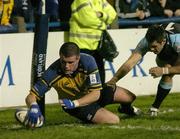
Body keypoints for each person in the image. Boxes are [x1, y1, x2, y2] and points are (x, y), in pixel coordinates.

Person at [16, 42, 140, 128]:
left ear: (78, 58)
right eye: (63, 62)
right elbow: (31, 96)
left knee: (130, 97)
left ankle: (125, 108)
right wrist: (33, 106)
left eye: (70, 62)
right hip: (76, 106)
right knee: (114, 120)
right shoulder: (52, 72)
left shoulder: (88, 61)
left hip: (89, 96)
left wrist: (75, 102)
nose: (66, 66)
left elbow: (96, 93)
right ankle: (92, 116)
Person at [107, 23, 180, 116]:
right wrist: (114, 80)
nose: (151, 49)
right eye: (150, 46)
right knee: (168, 70)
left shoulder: (177, 40)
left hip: (175, 49)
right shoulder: (145, 41)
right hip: (168, 53)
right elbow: (129, 63)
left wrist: (163, 71)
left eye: (154, 47)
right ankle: (154, 108)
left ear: (163, 41)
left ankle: (154, 107)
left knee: (168, 70)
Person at [69, 0, 117, 85]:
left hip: (97, 45)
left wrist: (101, 15)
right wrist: (104, 23)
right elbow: (88, 20)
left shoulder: (100, 1)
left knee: (99, 74)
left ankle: (99, 96)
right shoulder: (81, 1)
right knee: (83, 77)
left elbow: (113, 14)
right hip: (81, 45)